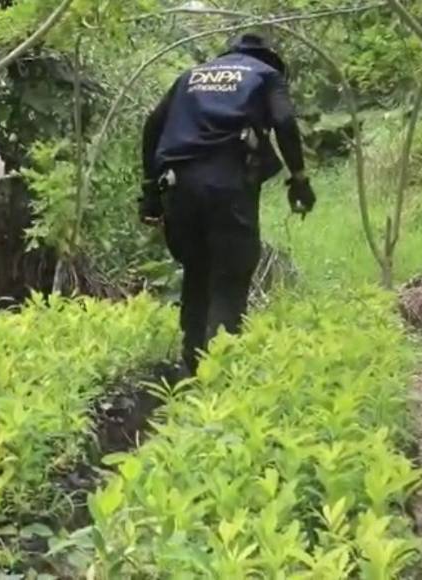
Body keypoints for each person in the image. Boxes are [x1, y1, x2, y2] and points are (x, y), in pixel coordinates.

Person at [138, 32, 316, 373]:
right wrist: (299, 179)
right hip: (228, 184)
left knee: (197, 271)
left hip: (178, 187)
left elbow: (152, 125)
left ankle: (191, 368)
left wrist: (150, 191)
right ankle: (220, 375)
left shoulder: (190, 76)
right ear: (269, 59)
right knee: (230, 276)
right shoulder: (266, 74)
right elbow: (284, 121)